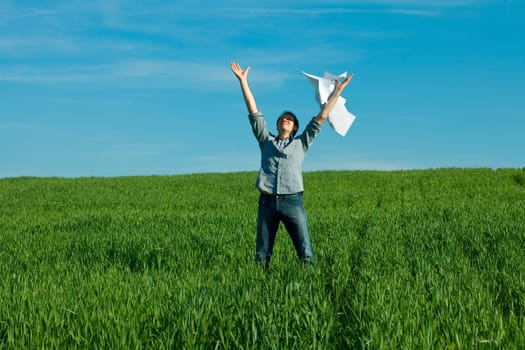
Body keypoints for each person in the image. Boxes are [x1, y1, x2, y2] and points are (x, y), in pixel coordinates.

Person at [230, 61, 352, 268]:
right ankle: (258, 290)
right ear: (277, 125)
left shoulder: (301, 143)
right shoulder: (265, 140)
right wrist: (243, 81)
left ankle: (310, 290)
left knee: (305, 252)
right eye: (282, 119)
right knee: (261, 255)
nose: (285, 120)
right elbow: (253, 112)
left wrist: (336, 93)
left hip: (293, 201)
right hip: (266, 202)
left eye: (289, 119)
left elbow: (321, 117)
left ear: (295, 127)